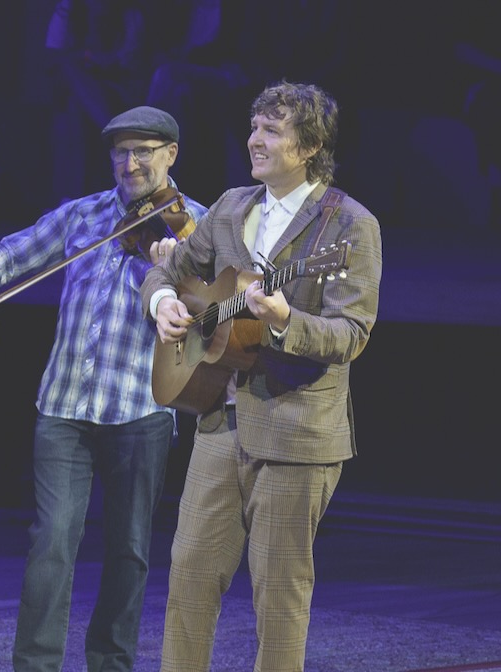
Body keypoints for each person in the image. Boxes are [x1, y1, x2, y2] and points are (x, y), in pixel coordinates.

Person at [144, 81, 381, 672]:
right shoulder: (232, 206)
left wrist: (283, 321)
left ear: (310, 146)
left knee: (278, 595)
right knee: (189, 578)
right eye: (254, 127)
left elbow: (351, 334)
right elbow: (168, 272)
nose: (255, 139)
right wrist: (164, 302)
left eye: (272, 130)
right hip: (220, 421)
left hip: (297, 431)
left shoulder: (349, 226)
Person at [0, 105, 209, 672]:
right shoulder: (82, 215)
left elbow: (218, 315)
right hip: (64, 406)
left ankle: (111, 663)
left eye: (143, 152)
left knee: (129, 549)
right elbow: (10, 256)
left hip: (142, 409)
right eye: (121, 153)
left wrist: (180, 274)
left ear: (171, 154)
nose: (130, 164)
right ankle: (34, 666)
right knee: (51, 542)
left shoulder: (199, 228)